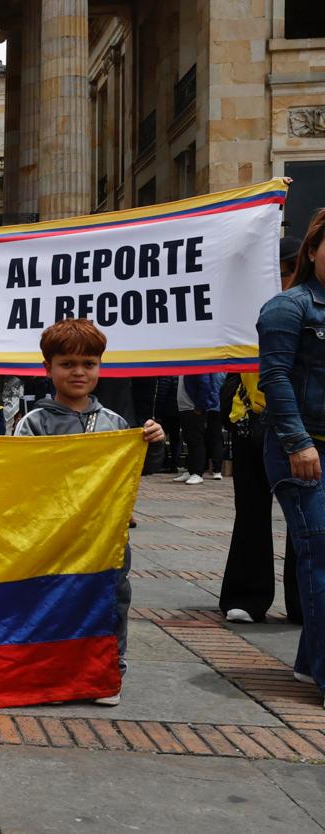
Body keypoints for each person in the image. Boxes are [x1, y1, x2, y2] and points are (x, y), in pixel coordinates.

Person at [15, 318, 165, 706]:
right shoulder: (34, 422)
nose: (79, 372)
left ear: (100, 366)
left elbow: (135, 470)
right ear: (47, 369)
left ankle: (108, 671)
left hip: (106, 535)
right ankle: (50, 671)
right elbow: (20, 477)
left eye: (88, 363)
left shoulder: (115, 424)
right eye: (67, 364)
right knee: (51, 599)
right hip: (53, 537)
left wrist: (153, 442)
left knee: (112, 598)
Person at [257, 208, 325, 700]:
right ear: (313, 250)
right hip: (301, 449)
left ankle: (308, 663)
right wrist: (298, 442)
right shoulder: (289, 307)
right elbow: (275, 378)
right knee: (320, 556)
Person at [220, 236, 303, 625]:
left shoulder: (308, 310)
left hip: (300, 425)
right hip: (249, 418)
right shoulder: (253, 309)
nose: (281, 281)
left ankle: (304, 600)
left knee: (304, 515)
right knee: (250, 510)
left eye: (287, 273)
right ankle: (247, 596)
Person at [174, 373, 225, 485]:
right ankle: (191, 470)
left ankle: (197, 472)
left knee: (196, 440)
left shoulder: (197, 364)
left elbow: (205, 384)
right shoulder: (185, 366)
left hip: (192, 408)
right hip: (185, 408)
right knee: (189, 440)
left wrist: (199, 406)